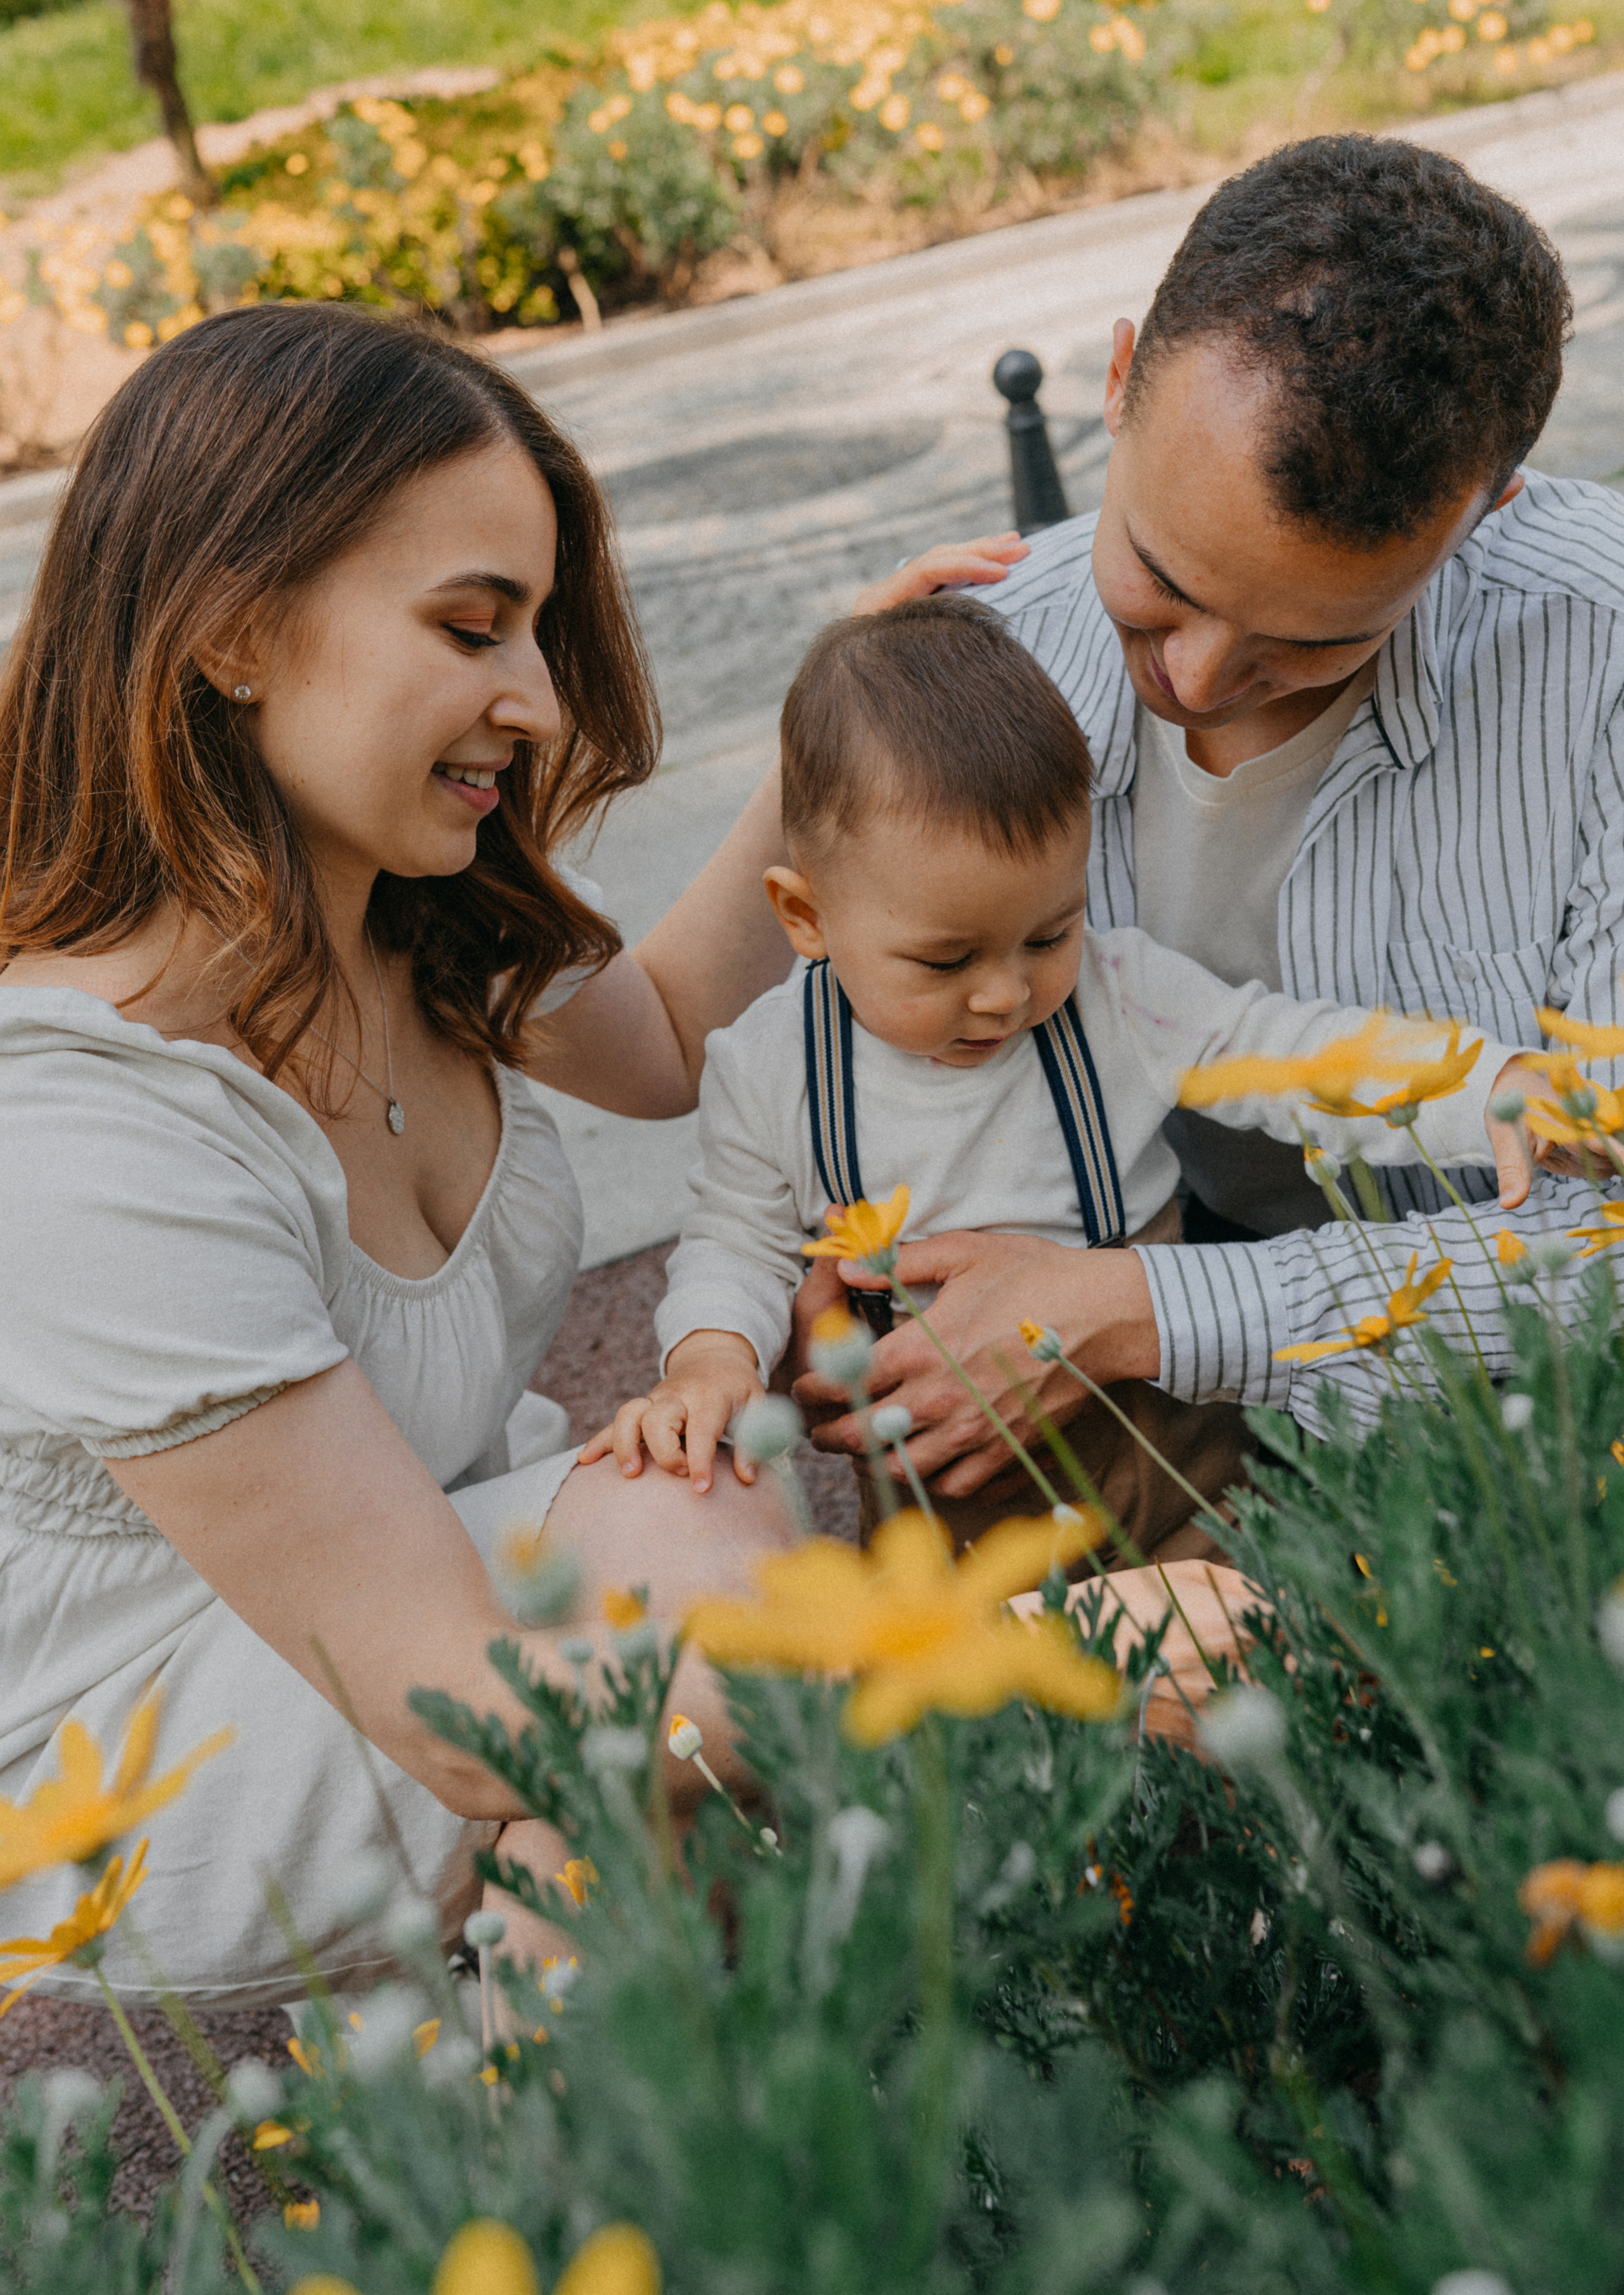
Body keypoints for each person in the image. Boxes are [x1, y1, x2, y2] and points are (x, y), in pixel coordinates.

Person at [0, 303, 801, 2005]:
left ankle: (618, 2159)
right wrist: (1019, 1660)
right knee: (669, 1597)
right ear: (233, 633)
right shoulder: (79, 1123)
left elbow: (660, 1041)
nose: (533, 696)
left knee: (711, 1485)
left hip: (416, 1602)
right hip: (109, 1775)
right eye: (471, 625)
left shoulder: (420, 922)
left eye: (538, 631)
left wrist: (838, 736)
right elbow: (468, 1710)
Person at [797, 133, 1624, 1498]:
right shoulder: (983, 649)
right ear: (1118, 381)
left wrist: (1139, 1313)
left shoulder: (1599, 654)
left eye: (1310, 643)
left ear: (1481, 516)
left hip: (1532, 1438)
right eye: (1156, 578)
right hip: (1119, 1394)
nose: (1188, 681)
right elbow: (722, 1042)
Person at [589, 595, 1548, 1550]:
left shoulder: (1117, 993)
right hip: (954, 1491)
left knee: (1245, 1622)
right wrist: (709, 1358)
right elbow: (734, 1240)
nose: (1006, 993)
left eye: (1049, 932)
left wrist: (1489, 1088)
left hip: (1174, 1435)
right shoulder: (772, 1067)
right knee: (998, 1687)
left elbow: (1293, 1052)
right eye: (947, 960)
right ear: (805, 918)